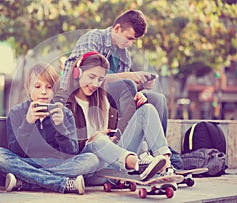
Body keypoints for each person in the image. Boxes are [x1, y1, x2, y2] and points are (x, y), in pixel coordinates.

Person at [54, 9, 183, 169]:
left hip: (108, 109)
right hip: (82, 105)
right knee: (127, 84)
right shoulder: (94, 39)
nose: (130, 43)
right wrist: (128, 77)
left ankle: (161, 160)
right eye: (128, 38)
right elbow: (86, 77)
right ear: (116, 29)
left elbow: (118, 89)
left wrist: (140, 89)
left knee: (155, 100)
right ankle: (139, 160)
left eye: (133, 40)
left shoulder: (124, 55)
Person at [63, 52, 176, 185]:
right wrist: (92, 139)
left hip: (116, 161)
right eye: (91, 77)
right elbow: (67, 149)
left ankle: (166, 166)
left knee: (147, 110)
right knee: (98, 140)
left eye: (100, 79)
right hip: (92, 167)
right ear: (77, 73)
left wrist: (134, 106)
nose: (95, 84)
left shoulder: (102, 100)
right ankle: (139, 165)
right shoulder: (66, 104)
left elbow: (118, 133)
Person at [0, 63, 100, 195]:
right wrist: (28, 123)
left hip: (57, 164)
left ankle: (26, 182)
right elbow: (15, 151)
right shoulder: (16, 113)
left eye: (49, 87)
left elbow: (72, 152)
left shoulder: (64, 113)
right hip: (27, 162)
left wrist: (60, 127)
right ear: (28, 88)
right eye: (37, 86)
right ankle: (62, 183)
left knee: (91, 160)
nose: (43, 92)